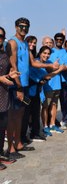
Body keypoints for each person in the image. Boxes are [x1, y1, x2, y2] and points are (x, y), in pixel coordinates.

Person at [6, 18, 59, 160]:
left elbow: (33, 63)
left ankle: (18, 144)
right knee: (13, 117)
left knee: (20, 116)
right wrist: (18, 87)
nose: (24, 29)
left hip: (25, 85)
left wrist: (50, 66)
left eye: (26, 27)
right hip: (17, 86)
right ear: (16, 27)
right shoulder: (13, 43)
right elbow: (13, 67)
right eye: (21, 26)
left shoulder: (24, 43)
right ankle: (10, 149)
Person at [0, 27, 19, 170]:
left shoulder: (4, 54)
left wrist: (11, 74)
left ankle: (0, 155)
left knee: (2, 128)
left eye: (1, 36)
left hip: (4, 97)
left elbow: (6, 73)